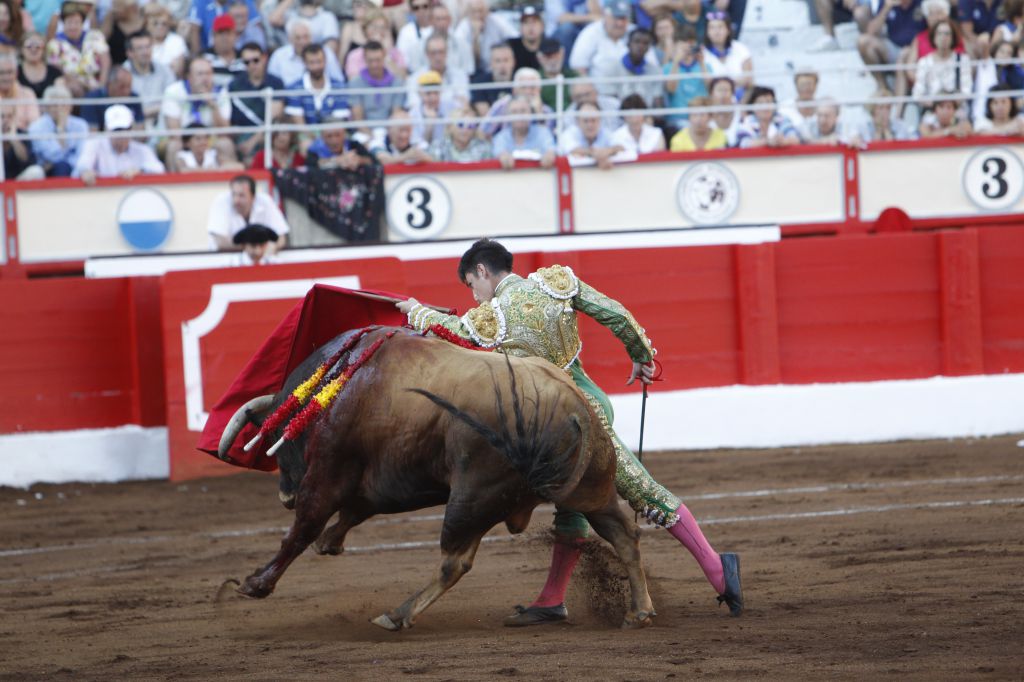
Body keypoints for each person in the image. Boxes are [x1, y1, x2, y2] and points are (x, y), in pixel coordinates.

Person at [396, 238, 744, 626]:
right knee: (571, 497)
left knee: (636, 487)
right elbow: (615, 314)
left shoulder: (489, 318)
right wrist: (642, 357)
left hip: (573, 415)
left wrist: (417, 313)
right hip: (587, 396)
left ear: (482, 271)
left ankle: (717, 568)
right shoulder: (554, 283)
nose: (474, 295)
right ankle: (552, 599)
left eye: (471, 285)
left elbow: (453, 332)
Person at [73, 103, 165, 183]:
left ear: (132, 128)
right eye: (116, 130)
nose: (121, 134)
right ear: (106, 129)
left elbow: (159, 169)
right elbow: (81, 167)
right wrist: (85, 172)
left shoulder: (142, 150)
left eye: (125, 129)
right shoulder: (94, 145)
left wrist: (139, 170)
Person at [857, 0, 926, 102]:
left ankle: (898, 107)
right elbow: (871, 32)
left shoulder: (922, 3)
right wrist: (886, 8)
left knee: (904, 54)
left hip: (918, 49)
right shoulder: (887, 2)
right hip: (894, 47)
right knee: (863, 42)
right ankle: (883, 87)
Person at [230, 41, 285, 160]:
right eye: (247, 62)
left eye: (255, 60)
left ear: (264, 58)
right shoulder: (235, 85)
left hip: (269, 135)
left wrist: (253, 141)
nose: (252, 65)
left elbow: (274, 117)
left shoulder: (275, 83)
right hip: (243, 134)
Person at [207, 173, 289, 251]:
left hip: (261, 258)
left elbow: (281, 237)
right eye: (234, 194)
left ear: (253, 197)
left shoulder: (265, 201)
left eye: (241, 195)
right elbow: (221, 242)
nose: (236, 200)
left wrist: (272, 247)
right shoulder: (221, 202)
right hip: (223, 259)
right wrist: (254, 249)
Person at [46, 2, 110, 97]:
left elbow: (106, 63)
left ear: (83, 22)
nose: (73, 26)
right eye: (69, 22)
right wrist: (82, 85)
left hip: (96, 83)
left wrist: (101, 86)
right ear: (63, 23)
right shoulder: (55, 44)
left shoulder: (95, 36)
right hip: (71, 85)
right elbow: (57, 70)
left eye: (76, 22)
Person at [911, 17, 972, 112]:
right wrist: (937, 107)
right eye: (939, 34)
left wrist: (949, 107)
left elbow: (966, 91)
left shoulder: (962, 60)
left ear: (953, 38)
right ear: (934, 37)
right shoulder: (924, 62)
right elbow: (917, 94)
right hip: (932, 112)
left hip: (957, 111)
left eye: (947, 34)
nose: (943, 38)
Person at [28, 82, 88, 176]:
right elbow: (54, 156)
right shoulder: (37, 127)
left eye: (63, 104)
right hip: (48, 170)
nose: (60, 109)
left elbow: (82, 154)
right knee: (62, 166)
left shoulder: (80, 125)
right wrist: (61, 129)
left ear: (70, 106)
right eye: (55, 105)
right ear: (47, 107)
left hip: (75, 169)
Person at [284, 43, 350, 128]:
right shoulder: (294, 88)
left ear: (325, 61)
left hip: (333, 136)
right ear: (304, 63)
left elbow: (338, 122)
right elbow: (299, 125)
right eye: (312, 62)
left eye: (319, 61)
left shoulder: (339, 87)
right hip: (305, 137)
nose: (316, 66)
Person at [267, 17, 344, 85]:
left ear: (311, 37)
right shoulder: (278, 56)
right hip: (288, 100)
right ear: (290, 39)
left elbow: (338, 81)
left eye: (305, 37)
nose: (302, 42)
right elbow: (272, 84)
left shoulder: (326, 53)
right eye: (298, 38)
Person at [348, 39, 406, 129]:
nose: (374, 64)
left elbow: (396, 114)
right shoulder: (355, 83)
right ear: (365, 59)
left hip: (390, 132)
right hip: (364, 134)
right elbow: (358, 118)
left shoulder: (396, 83)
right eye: (370, 61)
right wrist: (370, 139)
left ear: (384, 57)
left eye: (378, 60)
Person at [480, 67, 552, 138]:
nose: (528, 92)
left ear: (539, 90)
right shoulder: (502, 105)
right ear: (514, 90)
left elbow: (548, 141)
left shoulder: (546, 111)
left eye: (532, 87)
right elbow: (483, 132)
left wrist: (539, 115)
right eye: (523, 87)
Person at [124, 30, 175, 128]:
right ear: (130, 53)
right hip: (134, 124)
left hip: (162, 121)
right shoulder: (123, 74)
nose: (145, 52)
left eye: (148, 47)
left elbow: (172, 99)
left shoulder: (165, 70)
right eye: (140, 48)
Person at [568, 0, 632, 78]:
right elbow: (578, 67)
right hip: (598, 88)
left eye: (623, 18)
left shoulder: (635, 33)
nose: (620, 23)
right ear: (606, 16)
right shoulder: (590, 33)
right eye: (616, 18)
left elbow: (650, 64)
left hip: (630, 87)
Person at [406, 33, 470, 110]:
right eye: (433, 53)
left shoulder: (460, 75)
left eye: (441, 52)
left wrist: (427, 101)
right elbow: (414, 106)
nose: (438, 57)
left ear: (447, 52)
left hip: (453, 119)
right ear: (427, 54)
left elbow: (463, 104)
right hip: (425, 120)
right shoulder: (415, 78)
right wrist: (450, 101)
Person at [491, 95, 556, 169]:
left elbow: (551, 149)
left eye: (523, 111)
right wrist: (502, 156)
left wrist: (550, 155)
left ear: (531, 113)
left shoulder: (543, 133)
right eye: (514, 112)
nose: (519, 115)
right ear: (508, 115)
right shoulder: (501, 137)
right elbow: (499, 151)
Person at [663, 23, 708, 130]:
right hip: (677, 120)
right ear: (675, 45)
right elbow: (671, 89)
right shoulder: (668, 68)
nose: (687, 48)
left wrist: (702, 63)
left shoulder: (706, 67)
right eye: (683, 44)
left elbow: (710, 88)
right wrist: (676, 62)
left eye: (690, 44)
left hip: (702, 119)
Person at [454, 0, 516, 76]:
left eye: (480, 11)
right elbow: (465, 59)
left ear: (487, 11)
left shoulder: (496, 20)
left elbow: (514, 38)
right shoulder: (464, 27)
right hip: (474, 72)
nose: (478, 15)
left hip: (495, 68)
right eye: (474, 11)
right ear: (469, 13)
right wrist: (475, 38)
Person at [344, 8, 407, 81]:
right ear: (365, 30)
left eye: (382, 27)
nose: (378, 32)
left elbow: (402, 80)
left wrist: (386, 55)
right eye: (374, 27)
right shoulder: (354, 55)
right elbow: (354, 83)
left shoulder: (396, 54)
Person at [605, 27, 662, 105]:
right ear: (628, 44)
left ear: (649, 47)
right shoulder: (612, 68)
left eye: (645, 43)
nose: (641, 46)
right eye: (637, 41)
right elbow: (610, 99)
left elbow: (657, 102)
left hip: (646, 115)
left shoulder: (655, 71)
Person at [559, 101, 624, 168]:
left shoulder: (605, 132)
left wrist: (607, 151)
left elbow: (620, 147)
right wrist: (596, 154)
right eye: (586, 121)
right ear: (577, 121)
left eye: (593, 120)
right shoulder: (569, 133)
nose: (590, 125)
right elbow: (572, 150)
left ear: (600, 120)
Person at [79, 65, 144, 131]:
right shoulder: (92, 100)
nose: (126, 91)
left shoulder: (134, 98)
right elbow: (91, 134)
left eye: (129, 86)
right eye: (122, 87)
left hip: (130, 140)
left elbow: (140, 132)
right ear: (110, 84)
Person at [702, 10, 752, 94]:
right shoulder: (702, 53)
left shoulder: (741, 48)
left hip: (741, 101)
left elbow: (750, 82)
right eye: (712, 28)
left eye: (720, 27)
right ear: (707, 32)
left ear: (728, 30)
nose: (716, 31)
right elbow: (706, 85)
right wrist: (735, 82)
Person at [735, 85, 801, 148]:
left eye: (769, 102)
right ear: (753, 106)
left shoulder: (782, 119)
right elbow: (743, 144)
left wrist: (784, 141)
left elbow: (795, 139)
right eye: (760, 103)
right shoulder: (746, 122)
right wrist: (767, 142)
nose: (765, 106)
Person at [266, 0, 339, 55]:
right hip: (291, 61)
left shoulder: (327, 17)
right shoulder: (292, 15)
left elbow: (330, 50)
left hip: (315, 62)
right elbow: (273, 19)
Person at [849, 86, 917, 142]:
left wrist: (887, 132)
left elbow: (914, 140)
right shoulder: (863, 127)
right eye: (881, 108)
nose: (885, 112)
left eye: (888, 108)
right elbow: (852, 139)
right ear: (873, 110)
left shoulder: (900, 126)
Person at [176, 122, 245, 170]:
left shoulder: (213, 154)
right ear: (187, 143)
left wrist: (220, 168)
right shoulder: (182, 156)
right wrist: (210, 170)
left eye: (206, 138)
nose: (203, 142)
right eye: (198, 139)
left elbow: (239, 167)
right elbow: (183, 171)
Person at [470, 42, 515, 116]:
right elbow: (486, 116)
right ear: (491, 63)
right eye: (498, 61)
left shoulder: (520, 81)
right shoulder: (480, 83)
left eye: (506, 60)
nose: (502, 65)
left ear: (513, 62)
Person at [144, 2, 187, 78]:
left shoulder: (176, 41)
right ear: (147, 25)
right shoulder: (142, 42)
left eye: (164, 24)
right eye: (155, 23)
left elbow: (177, 71)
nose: (160, 27)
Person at [0, 52, 40, 131]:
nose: (6, 77)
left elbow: (35, 125)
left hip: (21, 137)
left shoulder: (27, 94)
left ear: (16, 73)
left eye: (9, 72)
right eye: (1, 73)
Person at [777, 69, 819, 141]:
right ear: (796, 86)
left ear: (815, 86)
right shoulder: (784, 108)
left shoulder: (824, 107)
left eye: (809, 84)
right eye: (802, 85)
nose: (806, 88)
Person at [17, 31, 62, 99]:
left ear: (44, 50)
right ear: (21, 49)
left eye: (38, 46)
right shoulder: (14, 72)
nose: (33, 49)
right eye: (29, 46)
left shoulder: (55, 72)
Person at [205, 13, 245, 88]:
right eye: (220, 33)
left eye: (228, 33)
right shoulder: (205, 59)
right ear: (213, 36)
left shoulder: (245, 58)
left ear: (235, 35)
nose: (224, 37)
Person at [538, 37, 578, 111]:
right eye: (548, 56)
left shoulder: (573, 76)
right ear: (539, 57)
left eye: (556, 55)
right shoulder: (535, 78)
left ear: (562, 53)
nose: (553, 60)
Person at [101, 0, 145, 66]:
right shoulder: (110, 20)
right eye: (114, 6)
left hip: (140, 66)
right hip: (115, 67)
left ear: (131, 8)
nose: (115, 10)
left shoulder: (144, 21)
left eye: (119, 7)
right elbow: (101, 40)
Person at [395, 0, 433, 68]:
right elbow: (401, 59)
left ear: (431, 7)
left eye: (425, 6)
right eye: (416, 8)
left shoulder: (439, 26)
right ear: (411, 10)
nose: (421, 11)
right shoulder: (406, 32)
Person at [507, 5, 544, 72]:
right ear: (520, 27)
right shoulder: (511, 47)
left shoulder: (550, 46)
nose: (531, 27)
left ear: (542, 25)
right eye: (526, 22)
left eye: (534, 22)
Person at [707, 75, 739, 146]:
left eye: (726, 90)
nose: (723, 94)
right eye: (719, 90)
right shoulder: (705, 114)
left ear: (733, 93)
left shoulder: (741, 113)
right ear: (711, 93)